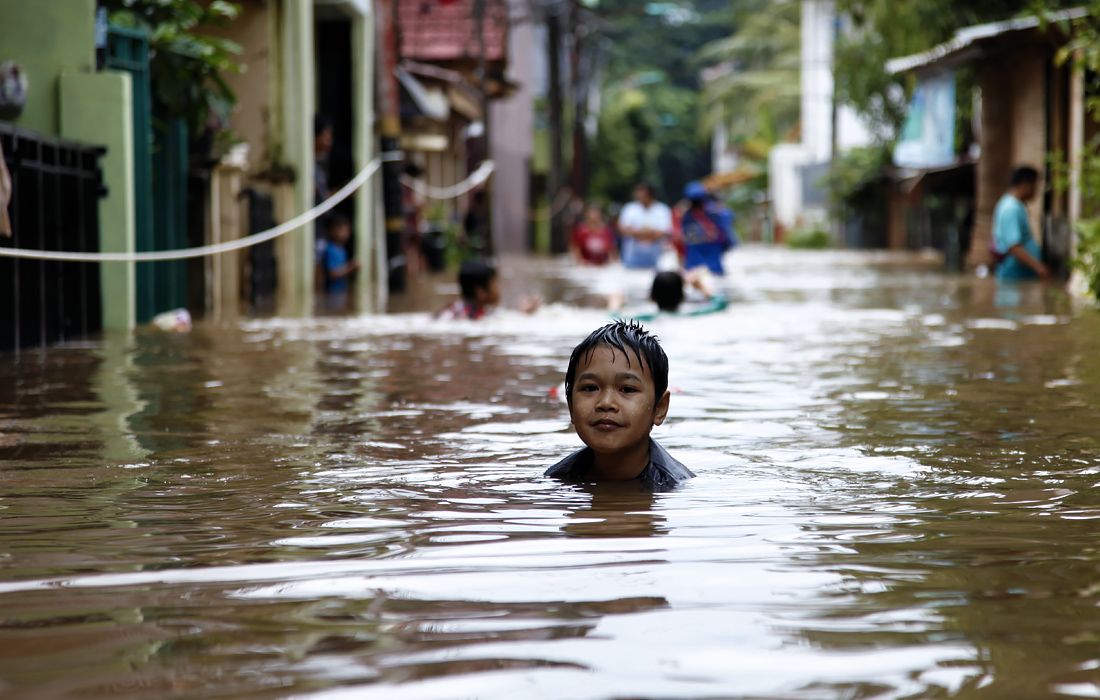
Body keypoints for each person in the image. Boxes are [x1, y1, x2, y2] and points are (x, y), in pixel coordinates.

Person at [544, 320, 695, 491]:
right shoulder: (557, 479)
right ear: (570, 406)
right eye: (590, 388)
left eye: (627, 389)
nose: (606, 403)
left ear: (659, 408)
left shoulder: (674, 487)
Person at [991, 165, 1051, 281]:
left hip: (1018, 275)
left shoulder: (1014, 205)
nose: (1036, 191)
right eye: (1035, 186)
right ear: (1025, 185)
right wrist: (1039, 267)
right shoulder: (1011, 208)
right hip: (1014, 276)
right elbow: (1014, 246)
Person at [435, 261, 542, 320]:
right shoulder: (479, 316)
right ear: (480, 292)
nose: (499, 288)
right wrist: (523, 317)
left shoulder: (451, 309)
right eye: (494, 283)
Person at [678, 181, 732, 275]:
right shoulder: (717, 216)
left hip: (693, 269)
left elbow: (680, 244)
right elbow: (727, 242)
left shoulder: (685, 219)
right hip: (715, 268)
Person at [618, 183, 673, 269]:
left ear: (650, 195)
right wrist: (650, 233)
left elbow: (663, 232)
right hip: (632, 260)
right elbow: (624, 230)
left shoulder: (662, 210)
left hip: (656, 260)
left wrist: (636, 232)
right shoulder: (629, 209)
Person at [320, 214, 361, 296]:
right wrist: (351, 267)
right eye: (340, 229)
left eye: (346, 230)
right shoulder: (330, 249)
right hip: (331, 293)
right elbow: (332, 274)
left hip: (341, 291)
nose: (343, 233)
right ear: (331, 230)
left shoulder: (342, 250)